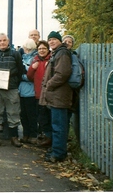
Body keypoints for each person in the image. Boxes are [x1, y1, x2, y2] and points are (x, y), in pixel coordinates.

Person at [40, 31, 72, 162]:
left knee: (59, 126)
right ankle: (57, 150)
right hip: (56, 96)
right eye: (50, 40)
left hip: (59, 96)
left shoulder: (62, 53)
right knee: (56, 125)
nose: (51, 42)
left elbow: (62, 74)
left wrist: (49, 85)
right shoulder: (57, 52)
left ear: (60, 41)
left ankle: (58, 154)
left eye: (54, 39)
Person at [0, 33, 23, 147]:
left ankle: (14, 137)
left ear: (8, 41)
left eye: (4, 40)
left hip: (12, 88)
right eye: (0, 40)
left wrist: (13, 82)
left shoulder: (15, 54)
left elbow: (20, 70)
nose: (2, 42)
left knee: (13, 112)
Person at [27, 40, 52, 147]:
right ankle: (44, 136)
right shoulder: (35, 60)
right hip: (38, 93)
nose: (42, 51)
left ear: (48, 50)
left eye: (44, 49)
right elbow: (29, 76)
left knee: (49, 117)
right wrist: (33, 68)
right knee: (41, 117)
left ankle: (50, 138)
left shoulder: (51, 60)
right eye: (40, 49)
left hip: (49, 94)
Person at [18, 39, 38, 144]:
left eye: (26, 48)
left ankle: (33, 134)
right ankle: (26, 134)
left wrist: (22, 76)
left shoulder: (35, 59)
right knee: (23, 114)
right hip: (22, 90)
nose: (25, 50)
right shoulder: (22, 57)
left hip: (30, 90)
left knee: (31, 114)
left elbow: (32, 75)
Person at [62, 34, 80, 141]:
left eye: (70, 42)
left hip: (69, 89)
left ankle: (65, 137)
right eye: (66, 41)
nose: (67, 43)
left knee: (65, 115)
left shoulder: (73, 56)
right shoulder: (60, 53)